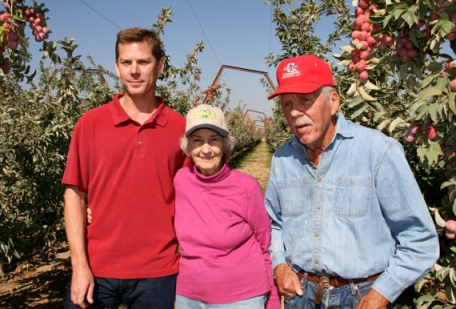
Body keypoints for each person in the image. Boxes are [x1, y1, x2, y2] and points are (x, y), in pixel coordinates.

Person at [264, 55, 439, 308]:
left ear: (333, 102)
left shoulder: (378, 151)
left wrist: (382, 293)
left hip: (362, 296)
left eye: (305, 100)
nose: (294, 112)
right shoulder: (283, 158)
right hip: (301, 295)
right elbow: (274, 223)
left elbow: (419, 239)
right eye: (287, 103)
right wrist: (280, 264)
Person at [62, 27, 187, 309]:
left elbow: (194, 193)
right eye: (126, 62)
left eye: (143, 62)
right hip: (97, 266)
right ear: (116, 66)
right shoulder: (90, 124)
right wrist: (79, 265)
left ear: (160, 65)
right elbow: (74, 195)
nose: (134, 71)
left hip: (159, 270)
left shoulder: (181, 128)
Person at [174, 104, 280, 309]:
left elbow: (265, 244)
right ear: (187, 147)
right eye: (198, 140)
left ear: (225, 144)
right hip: (190, 296)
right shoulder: (181, 181)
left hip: (241, 297)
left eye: (214, 140)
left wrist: (273, 299)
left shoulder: (246, 187)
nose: (206, 149)